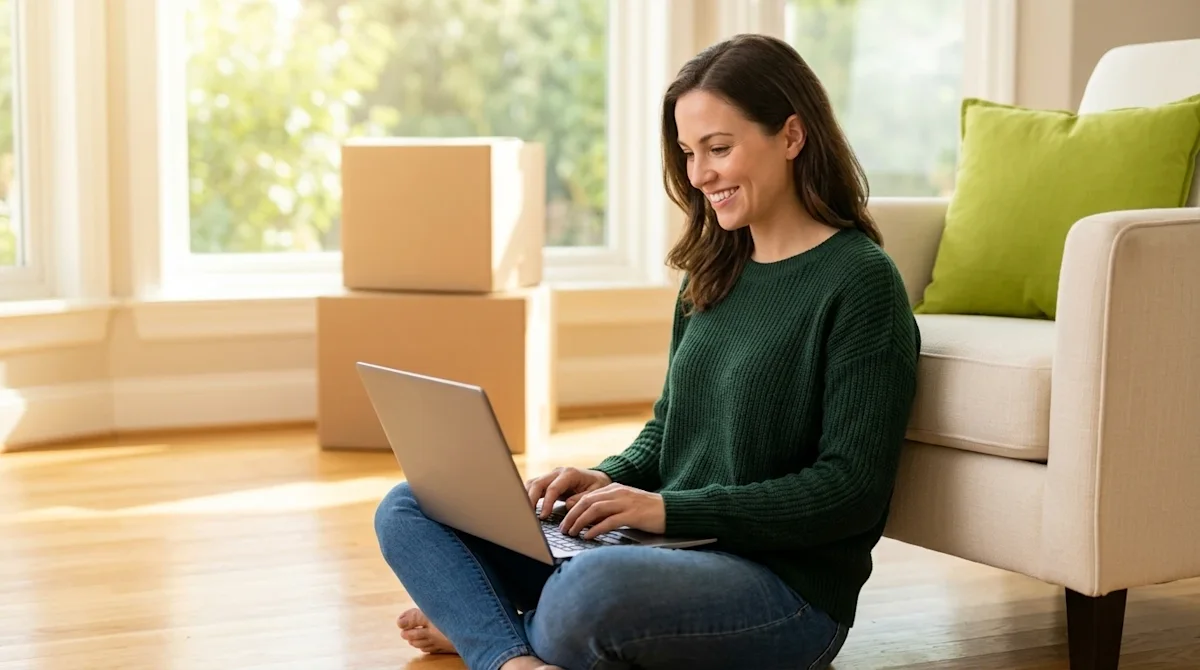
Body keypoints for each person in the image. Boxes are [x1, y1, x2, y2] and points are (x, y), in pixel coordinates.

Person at [374, 33, 921, 670]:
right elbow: (670, 431)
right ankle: (513, 656)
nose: (700, 175)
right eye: (689, 153)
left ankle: (487, 629)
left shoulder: (860, 282)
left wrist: (666, 509)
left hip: (782, 594)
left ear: (793, 136)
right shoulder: (713, 270)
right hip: (668, 551)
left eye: (719, 149)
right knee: (411, 504)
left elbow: (850, 489)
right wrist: (610, 478)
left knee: (588, 593)